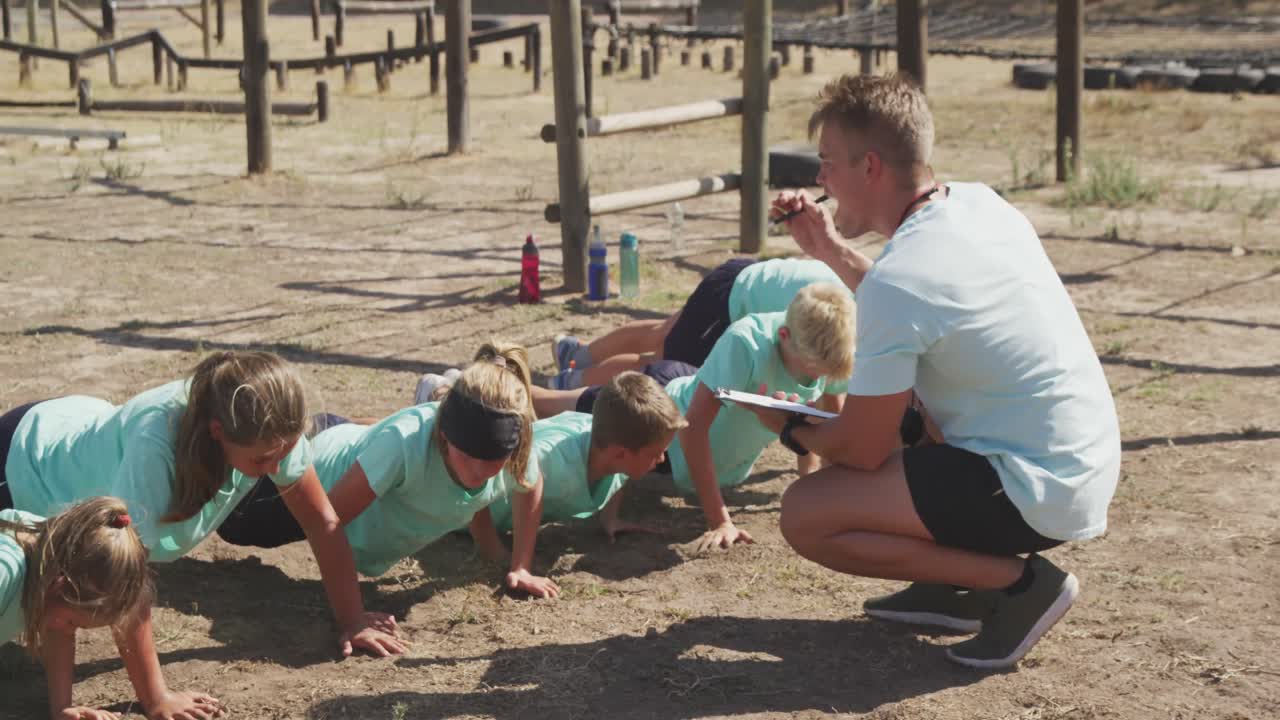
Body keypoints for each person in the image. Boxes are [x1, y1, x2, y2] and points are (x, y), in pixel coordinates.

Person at [748, 73, 1121, 669]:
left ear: (869, 168)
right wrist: (830, 252)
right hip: (1075, 463)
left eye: (826, 163)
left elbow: (862, 449)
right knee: (916, 412)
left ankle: (1017, 586)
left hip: (1030, 488)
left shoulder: (902, 281)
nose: (819, 179)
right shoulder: (978, 202)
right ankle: (951, 585)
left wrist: (790, 427)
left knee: (806, 514)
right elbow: (920, 310)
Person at [1, 351, 402, 658]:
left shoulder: (269, 430)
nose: (277, 470)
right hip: (24, 462)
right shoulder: (155, 450)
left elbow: (322, 522)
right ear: (217, 433)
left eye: (286, 453)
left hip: (77, 428)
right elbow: (127, 579)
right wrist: (157, 701)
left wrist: (351, 621)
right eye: (262, 461)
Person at [220, 343, 560, 599]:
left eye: (492, 458)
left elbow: (530, 486)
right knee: (233, 525)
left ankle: (440, 393)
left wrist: (520, 565)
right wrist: (352, 615)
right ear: (443, 435)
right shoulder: (403, 444)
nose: (479, 469)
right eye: (468, 454)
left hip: (363, 445)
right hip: (308, 468)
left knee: (391, 445)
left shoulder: (513, 446)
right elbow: (327, 523)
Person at [2, 497, 224, 720]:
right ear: (60, 584)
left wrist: (61, 709)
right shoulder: (5, 572)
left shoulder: (56, 561)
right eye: (74, 622)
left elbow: (60, 629)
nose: (70, 630)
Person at [547, 257, 850, 390]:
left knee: (663, 333)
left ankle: (576, 356)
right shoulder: (835, 336)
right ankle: (573, 383)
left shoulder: (852, 301)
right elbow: (827, 400)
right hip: (730, 302)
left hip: (743, 274)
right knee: (661, 366)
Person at [479, 372, 686, 544]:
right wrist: (493, 550)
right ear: (621, 453)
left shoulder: (611, 443)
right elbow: (474, 483)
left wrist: (610, 519)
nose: (661, 458)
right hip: (465, 516)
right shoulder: (547, 461)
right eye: (655, 452)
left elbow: (619, 472)